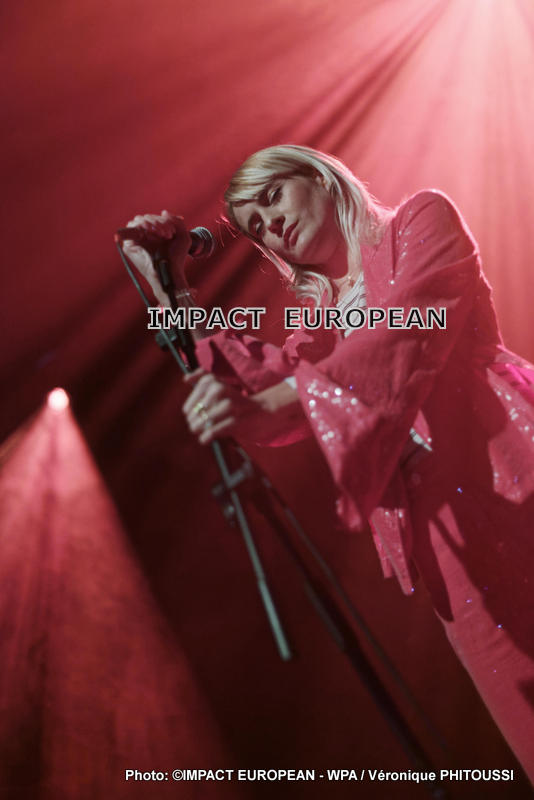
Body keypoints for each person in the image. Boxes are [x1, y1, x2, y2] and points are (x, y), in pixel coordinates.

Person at [122, 144, 534, 781]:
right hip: (447, 547)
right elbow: (262, 384)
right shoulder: (317, 327)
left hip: (515, 479)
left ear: (318, 175)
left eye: (273, 198)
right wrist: (170, 289)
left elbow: (403, 333)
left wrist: (285, 397)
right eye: (256, 226)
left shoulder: (421, 221)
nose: (270, 224)